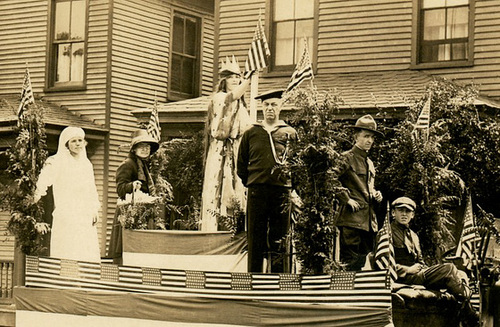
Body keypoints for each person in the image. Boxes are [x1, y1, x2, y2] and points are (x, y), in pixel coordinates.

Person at [386, 196, 479, 327]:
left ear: (412, 215)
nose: (404, 214)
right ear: (393, 213)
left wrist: (422, 268)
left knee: (461, 274)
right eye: (400, 210)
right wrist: (408, 270)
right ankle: (470, 313)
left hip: (418, 275)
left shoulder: (413, 235)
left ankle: (463, 310)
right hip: (402, 278)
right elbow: (383, 264)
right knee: (449, 269)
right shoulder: (387, 234)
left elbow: (420, 260)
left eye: (408, 211)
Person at [237, 89, 297, 273]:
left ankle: (278, 280)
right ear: (262, 108)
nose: (270, 108)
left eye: (274, 105)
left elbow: (296, 165)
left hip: (281, 191)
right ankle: (253, 279)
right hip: (257, 191)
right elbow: (241, 165)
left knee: (280, 237)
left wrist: (291, 187)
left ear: (280, 107)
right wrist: (253, 182)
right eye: (266, 105)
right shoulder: (251, 133)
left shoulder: (290, 133)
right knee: (256, 237)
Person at [201, 55, 252, 231]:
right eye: (231, 77)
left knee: (239, 188)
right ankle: (217, 229)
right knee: (220, 188)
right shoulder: (220, 98)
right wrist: (250, 77)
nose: (235, 80)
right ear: (224, 80)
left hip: (238, 149)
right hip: (222, 150)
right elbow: (233, 96)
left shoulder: (241, 105)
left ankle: (236, 230)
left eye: (237, 76)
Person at [34, 126, 101, 262]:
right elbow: (44, 181)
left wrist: (94, 210)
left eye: (80, 140)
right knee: (68, 249)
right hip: (66, 213)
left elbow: (91, 189)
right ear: (66, 144)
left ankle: (85, 280)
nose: (77, 144)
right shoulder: (56, 161)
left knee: (85, 250)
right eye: (73, 141)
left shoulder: (86, 164)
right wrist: (36, 196)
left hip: (84, 214)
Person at [334, 114, 384, 270]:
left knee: (363, 265)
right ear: (356, 136)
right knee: (349, 264)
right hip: (351, 219)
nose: (369, 140)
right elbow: (330, 179)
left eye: (372, 137)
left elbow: (367, 187)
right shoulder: (346, 158)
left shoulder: (369, 162)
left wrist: (376, 193)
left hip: (368, 222)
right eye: (366, 136)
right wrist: (345, 199)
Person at [107, 129, 160, 262]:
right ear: (134, 149)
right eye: (141, 147)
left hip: (141, 212)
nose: (145, 150)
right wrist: (131, 186)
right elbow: (120, 189)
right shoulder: (127, 165)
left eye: (147, 147)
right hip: (129, 212)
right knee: (126, 248)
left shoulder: (143, 166)